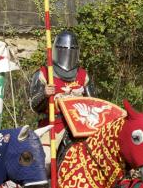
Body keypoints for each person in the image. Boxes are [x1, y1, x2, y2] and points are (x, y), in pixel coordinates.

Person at [28, 30, 95, 164]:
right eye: (63, 48)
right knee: (45, 160)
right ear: (55, 49)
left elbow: (94, 104)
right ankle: (45, 185)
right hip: (53, 126)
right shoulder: (44, 73)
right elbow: (33, 106)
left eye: (73, 48)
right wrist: (44, 94)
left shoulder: (83, 75)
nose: (68, 51)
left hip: (81, 127)